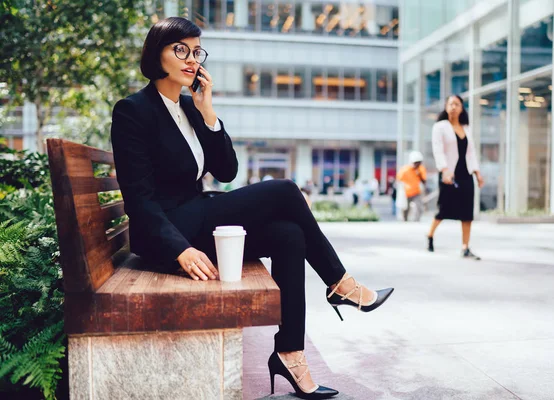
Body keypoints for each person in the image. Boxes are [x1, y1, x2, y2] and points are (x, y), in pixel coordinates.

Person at [110, 17, 394, 399]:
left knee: (289, 236)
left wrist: (208, 113)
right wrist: (180, 248)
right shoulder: (133, 111)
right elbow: (140, 200)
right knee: (285, 191)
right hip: (170, 232)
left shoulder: (190, 109)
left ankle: (290, 353)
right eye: (180, 50)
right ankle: (340, 284)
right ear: (155, 53)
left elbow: (227, 171)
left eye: (196, 51)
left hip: (197, 215)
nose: (191, 59)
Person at [426, 95, 484, 260]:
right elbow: (438, 150)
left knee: (467, 212)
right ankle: (430, 235)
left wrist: (477, 173)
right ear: (446, 106)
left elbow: (471, 152)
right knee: (443, 209)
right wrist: (444, 169)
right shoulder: (440, 127)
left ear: (461, 108)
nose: (453, 107)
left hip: (465, 174)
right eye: (450, 104)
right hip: (448, 173)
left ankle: (465, 247)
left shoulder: (466, 128)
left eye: (457, 104)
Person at [396, 151, 426, 222]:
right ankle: (405, 220)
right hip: (406, 192)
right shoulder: (405, 169)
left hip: (416, 192)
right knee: (405, 208)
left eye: (419, 162)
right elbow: (398, 180)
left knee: (419, 206)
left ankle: (416, 221)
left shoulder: (421, 169)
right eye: (416, 162)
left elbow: (424, 181)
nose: (418, 164)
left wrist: (419, 174)